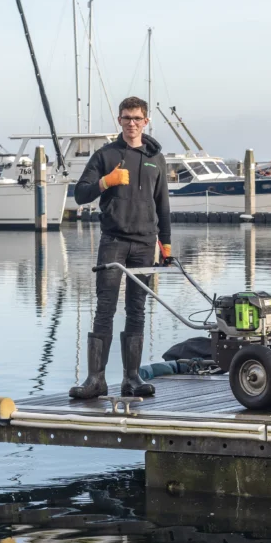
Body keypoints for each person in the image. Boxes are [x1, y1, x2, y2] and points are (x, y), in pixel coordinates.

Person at [70, 96, 171, 400]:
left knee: (137, 309)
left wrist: (165, 245)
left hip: (145, 243)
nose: (131, 124)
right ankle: (95, 379)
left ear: (146, 121)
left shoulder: (156, 158)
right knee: (105, 307)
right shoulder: (106, 155)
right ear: (119, 121)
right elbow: (79, 194)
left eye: (137, 118)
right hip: (113, 240)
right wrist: (106, 182)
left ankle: (132, 379)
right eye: (126, 118)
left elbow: (163, 205)